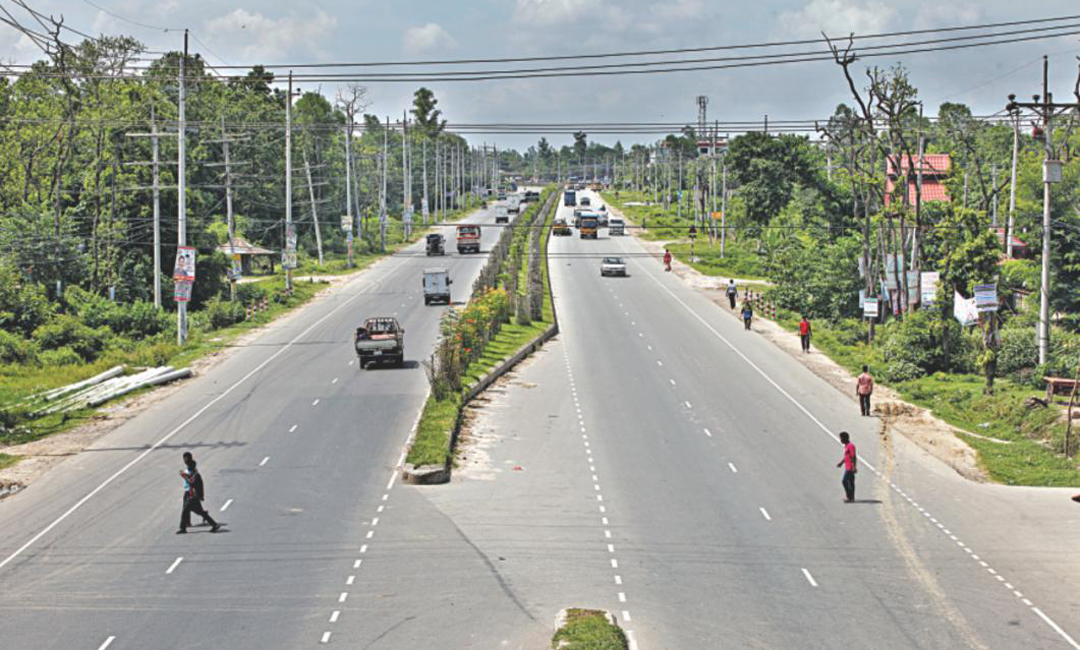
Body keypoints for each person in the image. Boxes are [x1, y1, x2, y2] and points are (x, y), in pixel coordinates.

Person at [177, 452, 220, 534]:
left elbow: (192, 483)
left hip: (193, 496)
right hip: (192, 496)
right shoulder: (193, 474)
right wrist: (185, 475)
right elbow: (191, 479)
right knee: (199, 512)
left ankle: (183, 528)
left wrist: (184, 476)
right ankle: (214, 524)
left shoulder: (196, 475)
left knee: (185, 510)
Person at [837, 431, 857, 502]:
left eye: (841, 438)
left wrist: (854, 467)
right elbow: (846, 456)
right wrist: (841, 463)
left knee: (844, 481)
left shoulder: (850, 446)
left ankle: (849, 497)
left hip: (850, 467)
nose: (840, 440)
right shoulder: (846, 446)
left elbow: (853, 456)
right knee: (851, 482)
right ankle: (851, 498)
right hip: (847, 466)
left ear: (845, 438)